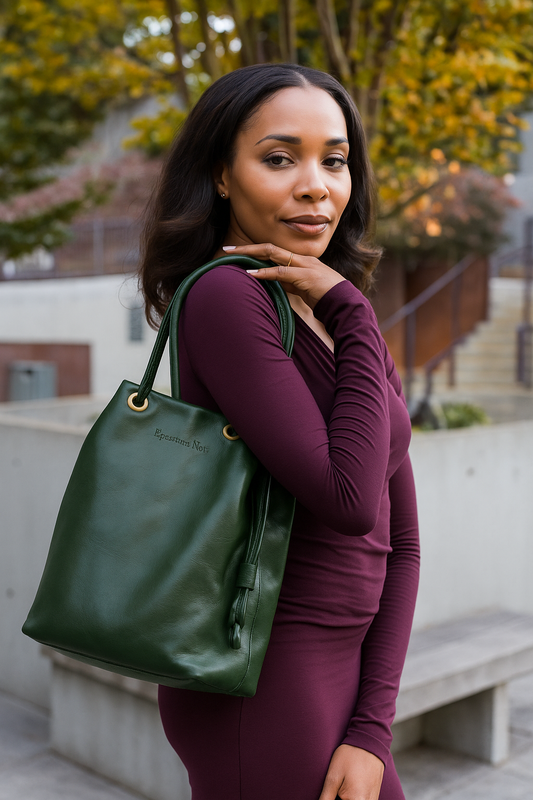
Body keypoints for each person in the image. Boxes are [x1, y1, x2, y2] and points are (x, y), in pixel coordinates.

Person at [139, 63, 420, 800]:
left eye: (334, 160)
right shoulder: (230, 298)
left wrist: (371, 726)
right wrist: (355, 313)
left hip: (341, 675)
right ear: (221, 176)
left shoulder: (330, 309)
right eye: (278, 158)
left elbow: (403, 544)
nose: (315, 185)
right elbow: (348, 497)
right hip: (261, 673)